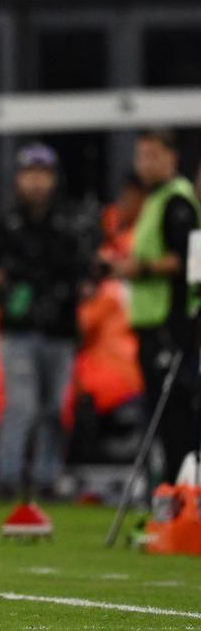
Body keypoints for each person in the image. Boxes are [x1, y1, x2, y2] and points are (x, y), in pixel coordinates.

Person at [0, 143, 92, 499]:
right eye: (30, 175)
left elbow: (88, 273)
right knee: (22, 404)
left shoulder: (71, 223)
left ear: (54, 180)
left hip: (61, 329)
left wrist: (83, 284)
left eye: (44, 175)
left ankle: (47, 479)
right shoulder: (4, 224)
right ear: (19, 180)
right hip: (17, 329)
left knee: (55, 407)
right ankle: (8, 478)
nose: (37, 183)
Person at [104, 130, 200, 483]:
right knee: (162, 415)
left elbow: (186, 260)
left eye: (153, 155)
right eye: (141, 155)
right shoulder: (157, 199)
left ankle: (178, 494)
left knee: (173, 414)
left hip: (169, 325)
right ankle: (169, 493)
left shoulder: (176, 201)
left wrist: (139, 268)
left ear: (172, 158)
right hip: (152, 324)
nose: (145, 163)